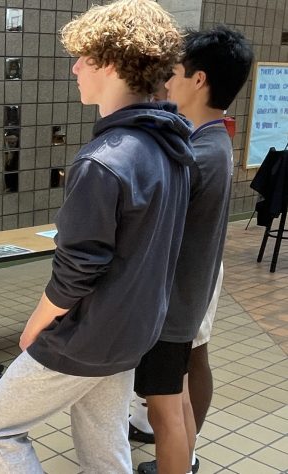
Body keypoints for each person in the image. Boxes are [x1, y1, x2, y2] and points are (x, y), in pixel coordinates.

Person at [0, 1, 192, 472]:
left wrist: (35, 326)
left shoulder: (103, 160)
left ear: (111, 63)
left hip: (86, 338)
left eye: (83, 58)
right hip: (135, 332)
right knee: (103, 443)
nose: (74, 68)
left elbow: (77, 270)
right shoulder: (172, 149)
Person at [134, 25, 253, 474]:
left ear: (199, 79)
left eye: (175, 72)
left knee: (165, 414)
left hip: (173, 307)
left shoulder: (199, 155)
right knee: (175, 399)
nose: (167, 82)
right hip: (186, 299)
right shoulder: (211, 141)